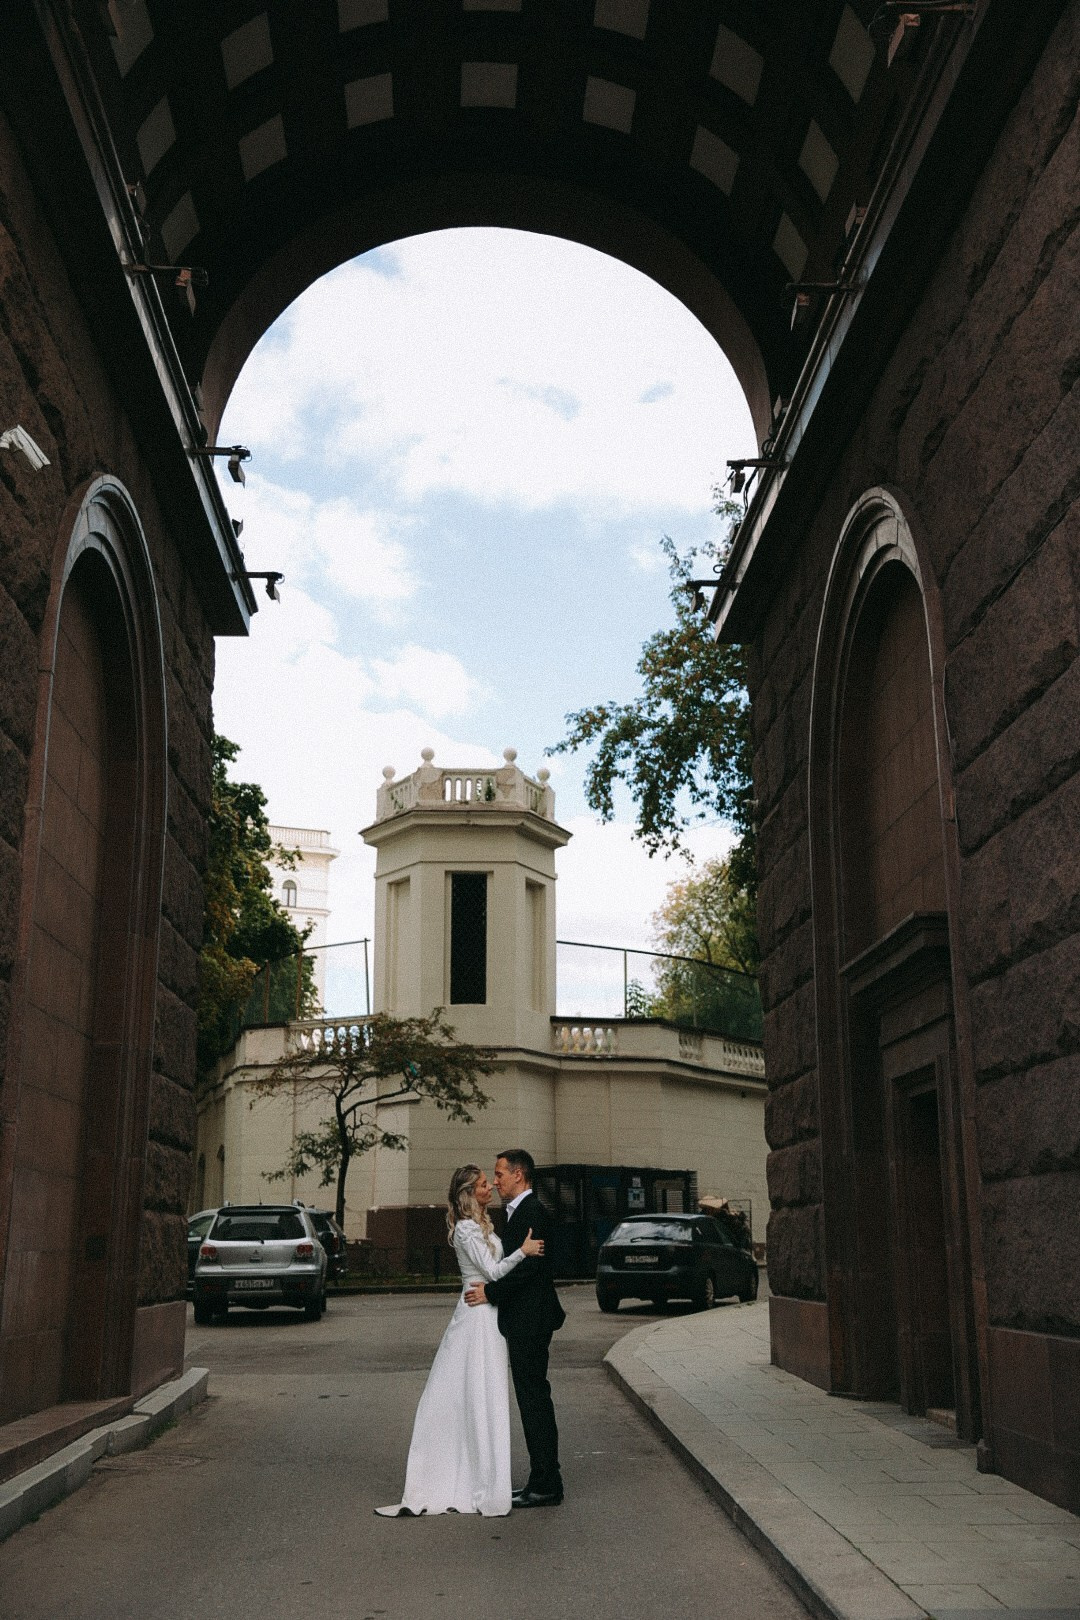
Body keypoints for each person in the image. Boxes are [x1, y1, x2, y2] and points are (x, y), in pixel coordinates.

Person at [375, 1164, 544, 1517]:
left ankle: (484, 1475)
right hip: (476, 1318)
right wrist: (522, 1251)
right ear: (469, 1193)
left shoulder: (481, 1225)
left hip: (487, 1311)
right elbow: (493, 1272)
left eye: (491, 1181)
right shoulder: (467, 1229)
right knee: (474, 1393)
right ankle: (470, 1478)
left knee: (483, 1394)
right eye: (484, 1184)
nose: (490, 1187)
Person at [464, 1149, 566, 1508]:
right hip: (524, 1320)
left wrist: (489, 1292)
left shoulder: (532, 1211)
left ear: (519, 1175)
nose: (495, 1181)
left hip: (531, 1321)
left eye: (500, 1174)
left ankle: (546, 1484)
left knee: (534, 1400)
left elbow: (528, 1270)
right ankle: (541, 1479)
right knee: (532, 1399)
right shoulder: (519, 1212)